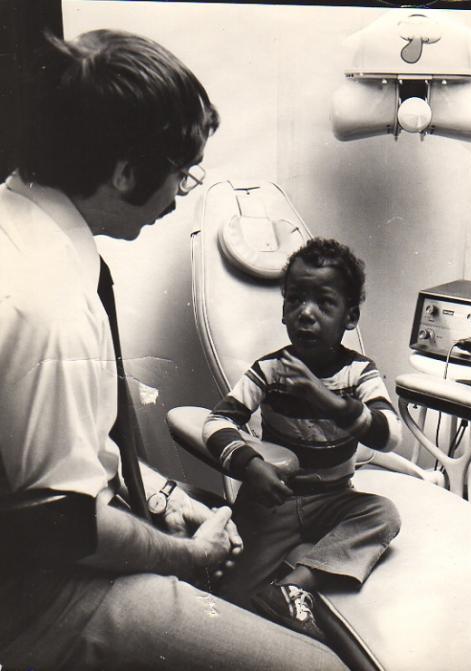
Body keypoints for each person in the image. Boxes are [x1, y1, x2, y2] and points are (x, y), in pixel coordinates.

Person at [0, 29, 347, 670]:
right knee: (316, 667)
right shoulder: (50, 306)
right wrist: (186, 557)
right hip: (33, 595)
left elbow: (60, 455)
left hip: (60, 528)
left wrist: (159, 497)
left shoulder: (21, 223)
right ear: (126, 171)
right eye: (181, 173)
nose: (181, 191)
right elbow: (59, 526)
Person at [202, 237, 402, 642]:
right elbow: (216, 422)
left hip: (333, 499)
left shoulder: (358, 373)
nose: (306, 314)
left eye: (324, 303)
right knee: (232, 600)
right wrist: (250, 465)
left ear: (350, 317)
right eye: (295, 300)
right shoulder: (271, 371)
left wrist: (328, 400)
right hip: (275, 500)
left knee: (384, 514)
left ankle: (296, 585)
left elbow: (390, 433)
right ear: (283, 310)